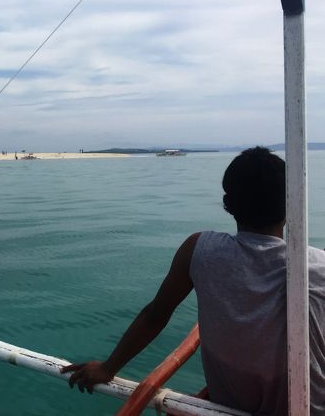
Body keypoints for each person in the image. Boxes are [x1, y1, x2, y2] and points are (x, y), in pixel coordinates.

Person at [61, 147, 325, 415]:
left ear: (228, 204)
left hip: (228, 407)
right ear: (293, 204)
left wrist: (109, 368)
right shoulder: (318, 267)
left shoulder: (200, 250)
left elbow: (155, 315)